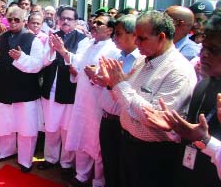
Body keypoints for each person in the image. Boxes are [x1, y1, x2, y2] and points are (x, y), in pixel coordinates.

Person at [98, 11, 197, 187]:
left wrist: (120, 85)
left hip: (152, 154)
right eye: (135, 36)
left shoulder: (178, 71)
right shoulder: (143, 60)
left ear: (161, 37)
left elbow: (154, 117)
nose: (136, 43)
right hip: (128, 144)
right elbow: (124, 101)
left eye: (142, 38)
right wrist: (112, 83)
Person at [143, 11, 221, 186]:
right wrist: (174, 128)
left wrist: (207, 141)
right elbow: (191, 131)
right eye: (204, 47)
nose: (204, 54)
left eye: (214, 50)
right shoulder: (204, 84)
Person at [65, 13, 120, 187]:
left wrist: (96, 74)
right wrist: (63, 52)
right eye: (94, 22)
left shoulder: (114, 50)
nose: (94, 25)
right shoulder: (89, 44)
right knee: (82, 137)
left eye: (99, 23)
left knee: (96, 143)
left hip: (98, 104)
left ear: (110, 30)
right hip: (82, 100)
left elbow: (113, 78)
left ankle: (98, 180)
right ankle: (81, 174)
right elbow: (80, 65)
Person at [0, 6, 44, 173]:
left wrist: (21, 58)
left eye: (16, 19)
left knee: (26, 129)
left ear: (24, 21)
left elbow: (37, 66)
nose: (12, 22)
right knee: (4, 126)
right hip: (5, 90)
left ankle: (25, 160)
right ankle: (7, 151)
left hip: (25, 92)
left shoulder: (33, 40)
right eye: (9, 19)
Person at [38, 6, 88, 181]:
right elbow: (43, 61)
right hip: (51, 87)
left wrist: (62, 51)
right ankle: (50, 159)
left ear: (76, 22)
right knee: (51, 128)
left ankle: (66, 163)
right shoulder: (51, 36)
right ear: (58, 20)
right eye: (63, 18)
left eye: (70, 19)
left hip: (69, 90)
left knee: (67, 129)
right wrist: (52, 49)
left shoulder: (83, 40)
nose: (66, 21)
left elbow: (79, 63)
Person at [95, 14, 141, 187]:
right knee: (109, 164)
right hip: (107, 118)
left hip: (123, 123)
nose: (115, 37)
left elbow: (128, 93)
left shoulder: (140, 61)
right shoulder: (118, 56)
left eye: (119, 33)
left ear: (134, 35)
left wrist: (110, 83)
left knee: (122, 169)